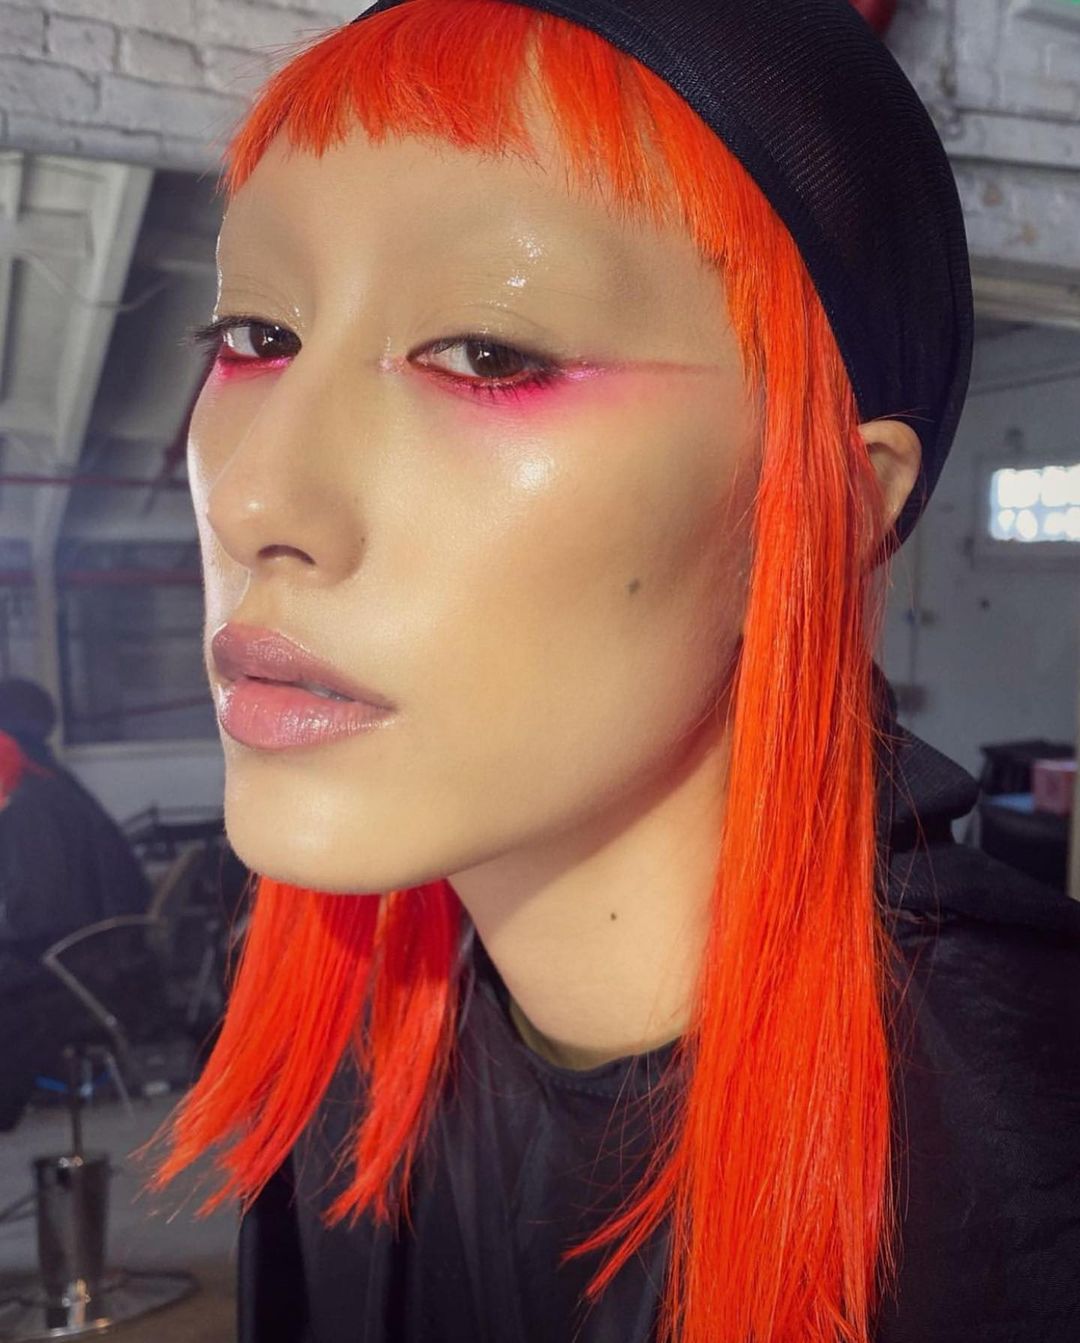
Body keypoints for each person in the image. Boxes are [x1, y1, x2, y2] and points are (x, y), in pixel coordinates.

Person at [141, 1, 1080, 1340]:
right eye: (253, 337)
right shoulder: (351, 1064)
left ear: (828, 501)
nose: (251, 497)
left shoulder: (1024, 1157)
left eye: (488, 352)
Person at [0, 680, 153, 1128]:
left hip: (74, 967)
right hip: (98, 956)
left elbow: (39, 915)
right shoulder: (53, 785)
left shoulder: (33, 804)